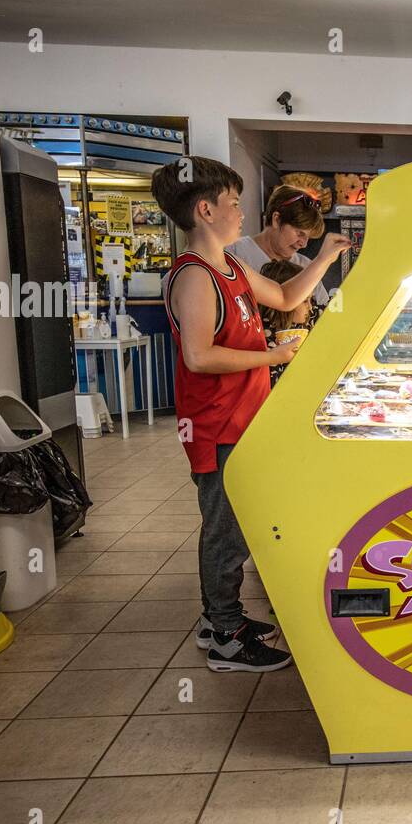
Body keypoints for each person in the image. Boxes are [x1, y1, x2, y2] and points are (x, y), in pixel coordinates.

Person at [151, 156, 348, 673]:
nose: (242, 213)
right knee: (226, 529)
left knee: (236, 524)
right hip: (217, 424)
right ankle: (225, 636)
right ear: (205, 209)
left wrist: (325, 258)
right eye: (234, 203)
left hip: (244, 419)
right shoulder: (195, 277)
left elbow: (285, 294)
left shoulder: (232, 267)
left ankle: (223, 617)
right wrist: (274, 356)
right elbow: (199, 356)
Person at [229, 184, 333, 310]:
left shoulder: (307, 267)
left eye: (308, 237)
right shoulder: (234, 253)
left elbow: (324, 314)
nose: (304, 244)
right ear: (277, 219)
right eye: (299, 233)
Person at [257, 258, 316, 386]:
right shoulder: (260, 335)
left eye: (311, 299)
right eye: (305, 301)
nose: (311, 307)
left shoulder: (312, 316)